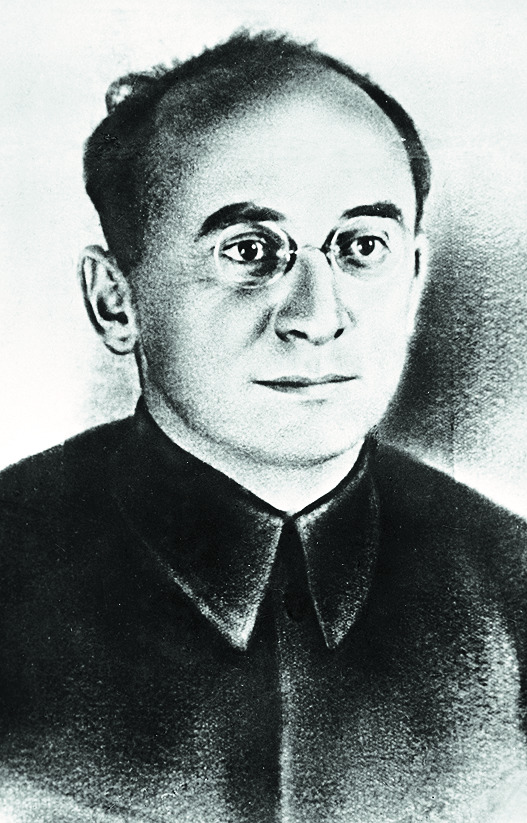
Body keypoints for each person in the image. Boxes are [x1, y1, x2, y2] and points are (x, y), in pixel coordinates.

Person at [1, 30, 526, 823]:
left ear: (414, 276)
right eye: (248, 250)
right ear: (115, 300)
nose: (316, 316)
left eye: (362, 246)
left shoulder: (511, 588)